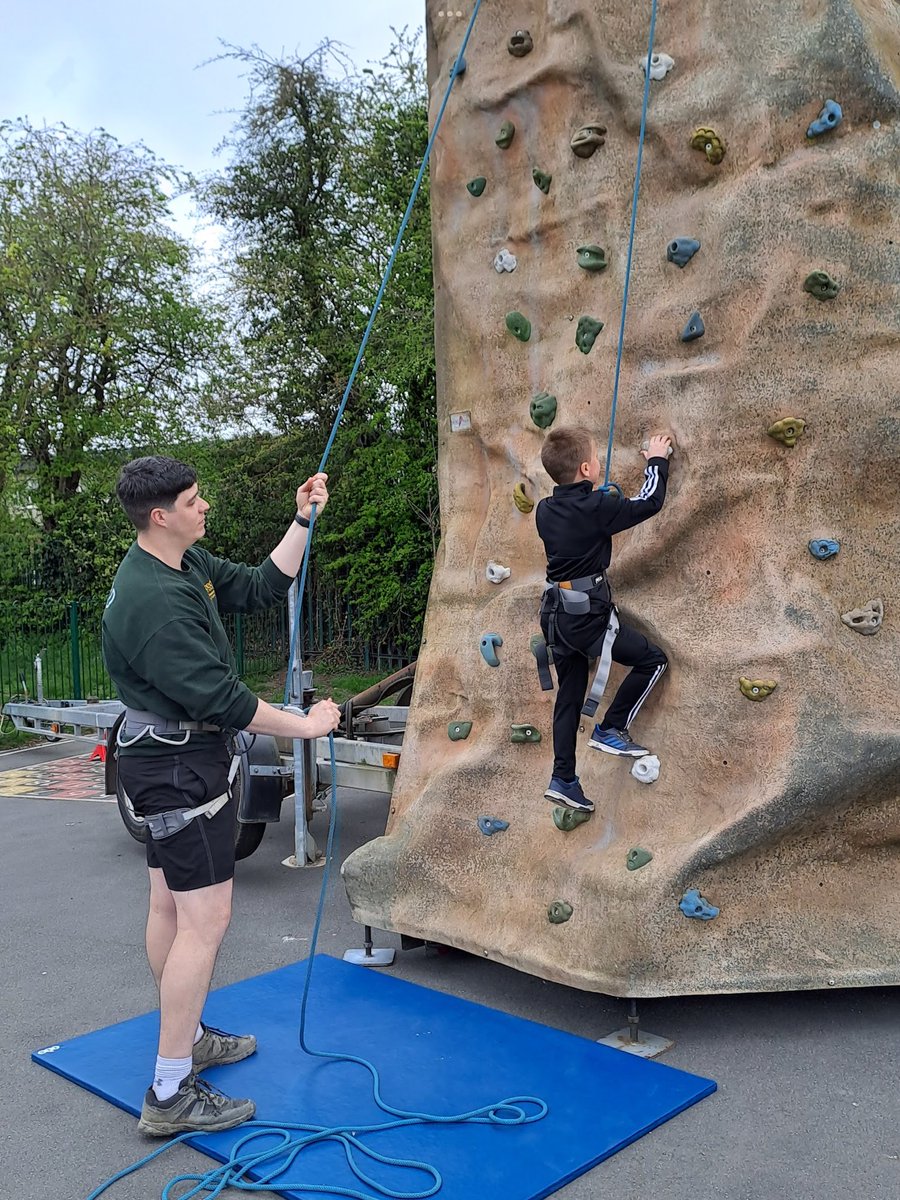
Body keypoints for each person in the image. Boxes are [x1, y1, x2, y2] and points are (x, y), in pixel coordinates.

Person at [101, 455, 341, 1136]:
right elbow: (223, 699)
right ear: (160, 515)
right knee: (203, 925)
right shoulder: (154, 603)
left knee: (170, 910)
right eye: (194, 500)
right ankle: (170, 1091)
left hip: (168, 763)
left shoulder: (182, 564)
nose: (205, 508)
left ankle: (191, 1036)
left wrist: (303, 517)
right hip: (179, 770)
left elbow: (264, 584)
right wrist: (306, 724)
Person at [535, 427, 672, 813]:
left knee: (569, 695)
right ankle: (611, 727)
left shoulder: (545, 510)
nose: (599, 462)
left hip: (557, 619)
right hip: (588, 620)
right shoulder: (597, 508)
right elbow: (649, 503)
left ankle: (564, 778)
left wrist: (600, 497)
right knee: (653, 660)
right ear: (585, 469)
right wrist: (657, 459)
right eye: (596, 458)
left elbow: (582, 515)